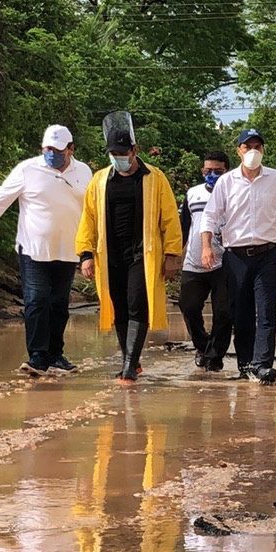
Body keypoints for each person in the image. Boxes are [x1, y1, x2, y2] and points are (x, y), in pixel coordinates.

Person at [0, 124, 90, 376]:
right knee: (36, 300)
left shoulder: (84, 173)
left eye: (57, 149)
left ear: (71, 149)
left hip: (67, 250)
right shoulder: (28, 169)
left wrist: (92, 250)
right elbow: (0, 198)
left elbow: (92, 211)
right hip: (33, 249)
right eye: (47, 149)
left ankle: (55, 355)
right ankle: (38, 357)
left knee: (59, 304)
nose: (51, 153)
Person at [76, 111, 182, 383]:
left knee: (138, 305)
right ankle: (130, 362)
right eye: (113, 152)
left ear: (134, 150)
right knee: (119, 307)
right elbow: (88, 218)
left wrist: (172, 255)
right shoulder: (100, 180)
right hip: (110, 255)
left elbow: (169, 217)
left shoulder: (154, 178)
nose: (118, 157)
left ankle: (129, 366)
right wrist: (86, 254)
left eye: (122, 152)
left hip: (141, 254)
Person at [201, 129, 276, 384]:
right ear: (239, 151)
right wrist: (206, 247)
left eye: (257, 146)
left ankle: (263, 364)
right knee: (241, 313)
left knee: (266, 311)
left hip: (268, 254)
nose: (252, 151)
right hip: (236, 257)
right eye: (247, 146)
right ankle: (245, 363)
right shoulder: (226, 181)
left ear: (263, 150)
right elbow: (210, 216)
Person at [178, 151, 233, 372]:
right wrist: (172, 256)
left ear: (226, 172)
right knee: (188, 307)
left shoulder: (235, 193)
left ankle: (215, 356)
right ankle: (203, 347)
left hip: (224, 262)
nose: (211, 175)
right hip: (194, 262)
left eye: (217, 172)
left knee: (224, 312)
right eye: (207, 171)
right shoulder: (192, 194)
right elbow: (183, 227)